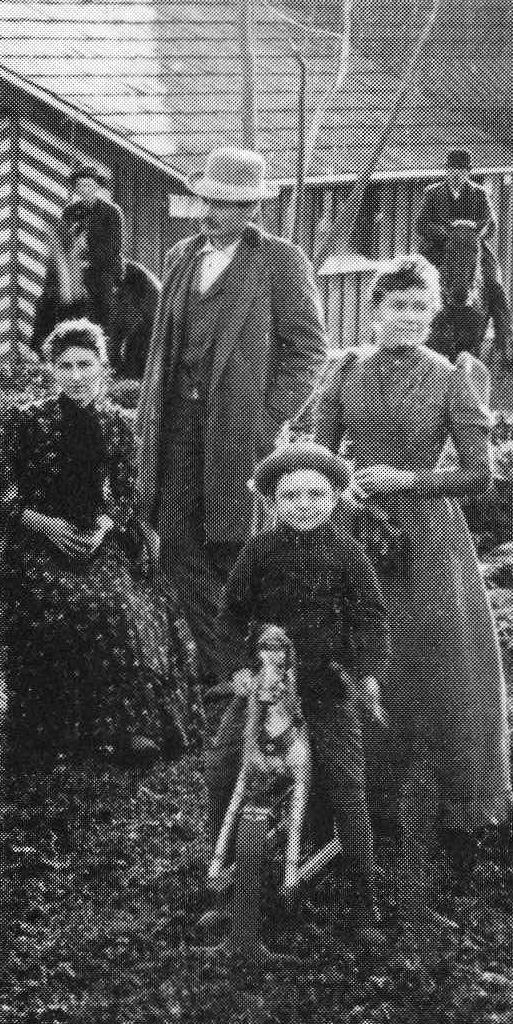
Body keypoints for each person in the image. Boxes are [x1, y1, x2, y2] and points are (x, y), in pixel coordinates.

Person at [313, 254, 513, 879]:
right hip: (353, 528)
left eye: (419, 309)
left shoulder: (453, 377)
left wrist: (404, 481)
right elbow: (317, 451)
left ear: (433, 317)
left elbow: (478, 475)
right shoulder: (344, 370)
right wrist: (338, 483)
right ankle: (347, 805)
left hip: (427, 539)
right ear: (373, 311)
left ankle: (456, 812)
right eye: (395, 306)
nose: (406, 318)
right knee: (349, 655)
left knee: (436, 666)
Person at [133, 145, 330, 686]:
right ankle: (222, 672)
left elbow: (309, 351)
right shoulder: (181, 257)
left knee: (231, 549)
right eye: (214, 202)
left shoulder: (281, 262)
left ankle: (242, 675)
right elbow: (163, 347)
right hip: (175, 428)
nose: (221, 214)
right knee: (176, 550)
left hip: (239, 431)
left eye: (237, 205)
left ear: (255, 210)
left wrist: (269, 418)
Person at [0, 319, 192, 764]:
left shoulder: (117, 425)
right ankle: (64, 725)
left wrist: (105, 526)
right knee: (76, 602)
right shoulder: (26, 422)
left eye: (85, 365)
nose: (75, 375)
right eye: (66, 366)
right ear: (52, 371)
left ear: (102, 369)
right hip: (36, 542)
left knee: (128, 603)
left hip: (95, 538)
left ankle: (130, 726)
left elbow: (128, 492)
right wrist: (43, 524)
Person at [204, 442, 389, 930]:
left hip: (324, 685)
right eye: (290, 496)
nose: (303, 505)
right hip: (268, 682)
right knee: (224, 766)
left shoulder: (347, 551)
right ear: (273, 502)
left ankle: (363, 895)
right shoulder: (260, 550)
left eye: (315, 495)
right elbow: (230, 615)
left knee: (345, 781)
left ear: (333, 500)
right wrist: (239, 668)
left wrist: (366, 671)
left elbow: (370, 618)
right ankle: (225, 881)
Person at [28, 162, 161, 378]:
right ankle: (39, 344)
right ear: (76, 188)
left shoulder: (111, 212)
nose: (85, 189)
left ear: (97, 187)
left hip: (104, 265)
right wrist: (69, 255)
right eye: (80, 185)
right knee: (48, 295)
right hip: (74, 264)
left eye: (89, 185)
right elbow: (65, 241)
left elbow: (114, 247)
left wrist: (88, 256)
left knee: (102, 293)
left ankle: (105, 345)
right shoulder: (70, 211)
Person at [416, 148, 513, 367]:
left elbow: (491, 224)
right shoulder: (433, 193)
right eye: (452, 170)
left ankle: (506, 340)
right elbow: (421, 224)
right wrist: (444, 234)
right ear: (446, 171)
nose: (456, 174)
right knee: (417, 278)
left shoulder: (479, 193)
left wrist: (473, 233)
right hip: (439, 248)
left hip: (471, 248)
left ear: (468, 172)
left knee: (494, 284)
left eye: (461, 170)